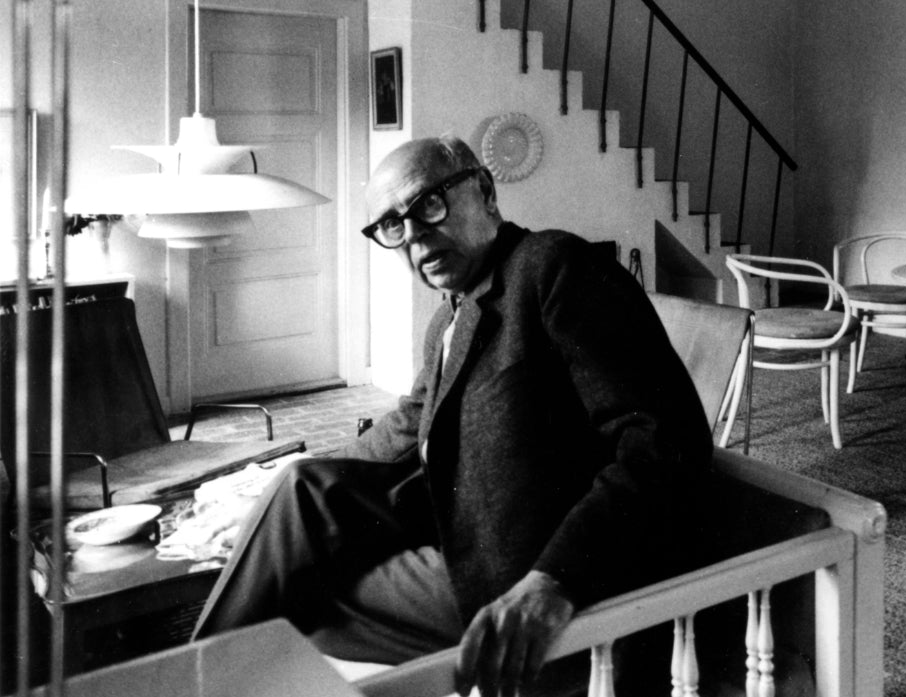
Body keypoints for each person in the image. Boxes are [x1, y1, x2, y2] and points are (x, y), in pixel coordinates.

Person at [191, 136, 712, 697]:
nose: (414, 235)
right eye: (392, 225)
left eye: (429, 204)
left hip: (533, 576)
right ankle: (196, 677)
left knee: (287, 598)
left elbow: (665, 442)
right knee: (298, 497)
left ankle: (189, 682)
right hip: (462, 544)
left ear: (485, 192)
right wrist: (264, 499)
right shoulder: (449, 318)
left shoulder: (555, 267)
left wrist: (556, 580)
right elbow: (405, 427)